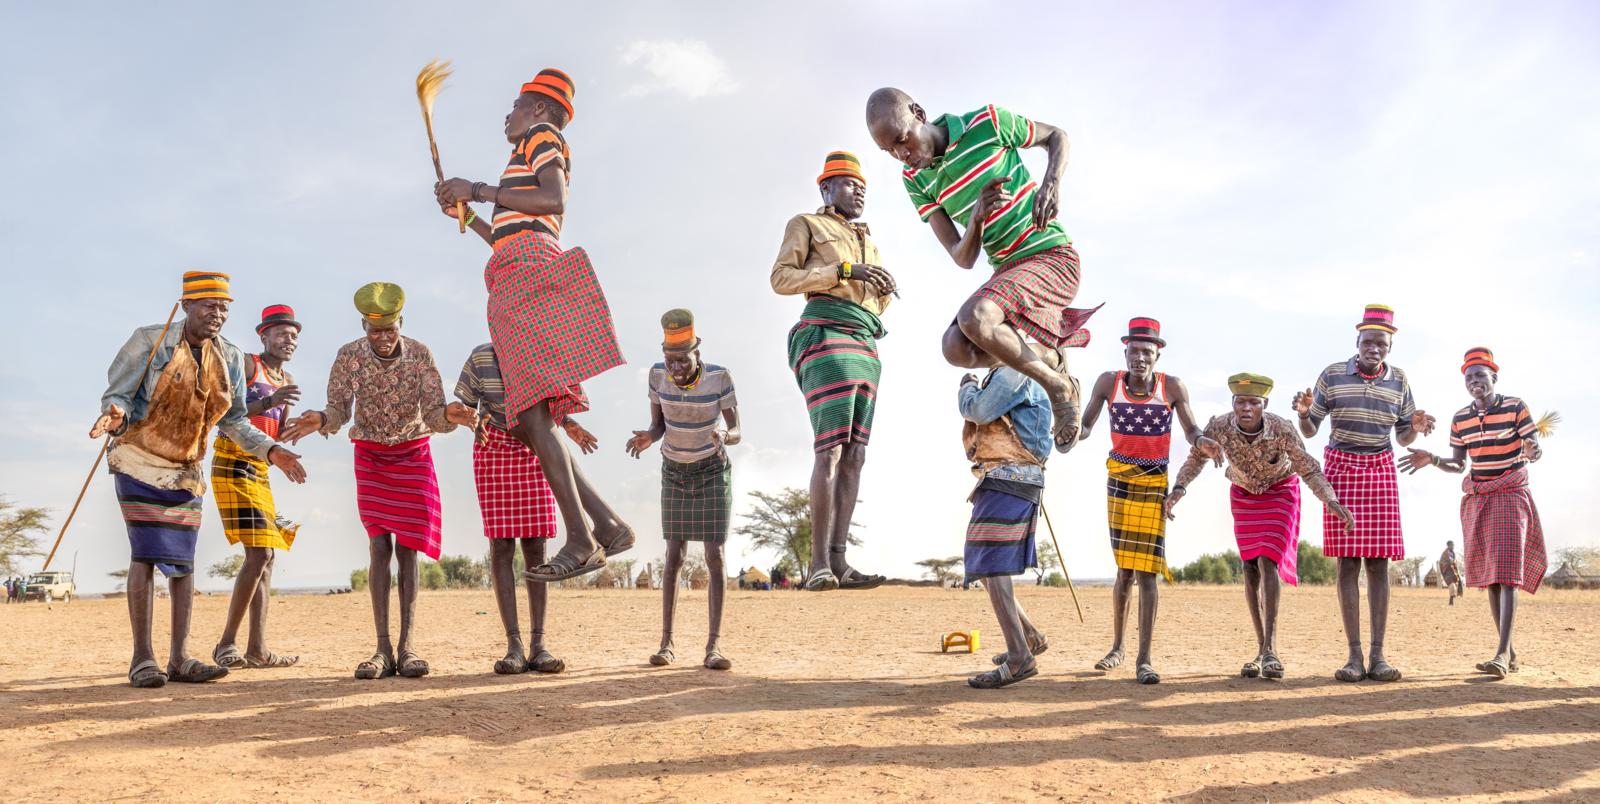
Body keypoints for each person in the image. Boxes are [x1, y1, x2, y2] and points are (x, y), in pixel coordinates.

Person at [433, 68, 633, 583]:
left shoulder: (544, 138)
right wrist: (467, 213)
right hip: (515, 268)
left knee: (532, 415)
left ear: (540, 110)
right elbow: (510, 232)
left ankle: (583, 539)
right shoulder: (522, 157)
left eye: (517, 105)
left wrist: (477, 189)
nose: (509, 113)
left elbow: (553, 200)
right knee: (528, 419)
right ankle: (606, 524)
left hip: (528, 275)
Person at [92, 271, 308, 687]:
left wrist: (273, 451)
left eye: (225, 308)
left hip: (186, 466)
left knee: (183, 562)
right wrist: (114, 413)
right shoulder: (149, 340)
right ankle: (143, 659)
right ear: (186, 305)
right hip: (137, 456)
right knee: (146, 553)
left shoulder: (227, 356)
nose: (218, 314)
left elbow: (235, 420)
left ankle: (179, 658)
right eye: (209, 306)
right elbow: (117, 393)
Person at [866, 88, 1100, 452]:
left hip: (1052, 258)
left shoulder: (986, 123)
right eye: (890, 151)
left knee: (975, 317)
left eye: (901, 139)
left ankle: (1059, 387)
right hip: (1007, 273)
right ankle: (1050, 358)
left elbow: (1057, 136)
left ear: (919, 113)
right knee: (955, 347)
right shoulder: (916, 180)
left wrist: (1051, 182)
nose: (901, 155)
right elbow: (962, 257)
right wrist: (975, 218)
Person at [282, 282, 476, 680]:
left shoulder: (421, 355)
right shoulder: (349, 356)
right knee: (377, 547)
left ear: (400, 323)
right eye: (375, 331)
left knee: (409, 549)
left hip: (413, 452)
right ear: (364, 327)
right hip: (370, 454)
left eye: (390, 330)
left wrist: (453, 417)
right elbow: (338, 410)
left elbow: (435, 414)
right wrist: (321, 419)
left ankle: (407, 649)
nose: (383, 338)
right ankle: (381, 649)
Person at [1168, 373, 1354, 680]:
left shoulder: (1282, 428)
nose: (1246, 408)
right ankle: (1260, 649)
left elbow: (1307, 468)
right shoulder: (1219, 427)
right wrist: (1178, 489)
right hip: (1244, 495)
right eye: (1240, 402)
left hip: (1281, 491)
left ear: (1264, 404)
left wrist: (1330, 500)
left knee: (1269, 560)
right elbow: (1195, 459)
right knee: (1249, 568)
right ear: (1233, 403)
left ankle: (1271, 649)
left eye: (1253, 402)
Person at [772, 151, 895, 592]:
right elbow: (782, 279)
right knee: (830, 449)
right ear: (826, 189)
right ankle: (819, 565)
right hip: (825, 335)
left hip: (865, 343)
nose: (858, 190)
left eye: (862, 185)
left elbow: (870, 299)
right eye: (848, 183)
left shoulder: (870, 241)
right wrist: (843, 270)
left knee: (856, 453)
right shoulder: (806, 224)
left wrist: (882, 291)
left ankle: (840, 562)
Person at [1293, 304, 1436, 682]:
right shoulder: (1333, 375)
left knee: (1378, 564)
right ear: (1357, 342)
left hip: (1380, 469)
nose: (1374, 349)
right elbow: (1310, 431)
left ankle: (1379, 656)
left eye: (1382, 344)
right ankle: (1353, 657)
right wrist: (1305, 413)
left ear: (1389, 347)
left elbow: (1403, 434)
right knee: (1347, 562)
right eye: (1368, 342)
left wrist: (1416, 428)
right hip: (1340, 467)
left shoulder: (1400, 381)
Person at [1399, 347, 1546, 678]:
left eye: (1481, 375)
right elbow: (1459, 464)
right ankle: (1507, 653)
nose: (1474, 382)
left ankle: (1500, 653)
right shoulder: (1461, 418)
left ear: (1494, 377)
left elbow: (1533, 448)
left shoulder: (1515, 407)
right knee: (1492, 578)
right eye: (1469, 377)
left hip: (1510, 493)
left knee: (1507, 575)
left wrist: (1531, 450)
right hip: (1478, 498)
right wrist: (1433, 459)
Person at [456, 342, 599, 674]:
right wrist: (469, 419)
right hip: (492, 448)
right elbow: (463, 403)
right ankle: (514, 646)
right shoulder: (480, 356)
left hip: (534, 449)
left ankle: (539, 645)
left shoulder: (539, 353)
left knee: (536, 544)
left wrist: (569, 424)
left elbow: (551, 403)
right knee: (501, 545)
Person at [1076, 318, 1205, 685]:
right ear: (1126, 351)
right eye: (1135, 350)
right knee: (1123, 570)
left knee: (1148, 572)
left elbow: (1191, 429)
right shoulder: (1108, 382)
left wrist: (1201, 442)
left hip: (1153, 482)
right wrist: (1071, 431)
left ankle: (1143, 660)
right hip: (1118, 480)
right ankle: (1117, 648)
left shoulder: (1172, 387)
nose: (1140, 357)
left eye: (1147, 351)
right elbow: (1086, 425)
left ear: (1157, 353)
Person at [626, 310, 740, 671]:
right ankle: (667, 643)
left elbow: (736, 430)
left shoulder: (720, 378)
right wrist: (648, 436)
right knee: (673, 555)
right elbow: (657, 425)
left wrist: (723, 434)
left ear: (698, 353)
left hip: (711, 470)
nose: (674, 368)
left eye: (681, 360)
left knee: (715, 556)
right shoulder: (657, 376)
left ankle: (714, 647)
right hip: (673, 470)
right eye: (669, 359)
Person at [210, 305, 304, 671]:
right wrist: (269, 402)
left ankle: (257, 649)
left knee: (267, 557)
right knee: (260, 554)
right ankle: (226, 644)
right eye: (281, 333)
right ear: (263, 335)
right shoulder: (249, 366)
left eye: (293, 335)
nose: (288, 340)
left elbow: (272, 433)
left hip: (260, 468)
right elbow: (226, 413)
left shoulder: (287, 378)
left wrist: (295, 431)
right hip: (233, 460)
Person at [957, 359, 1053, 688]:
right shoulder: (1017, 370)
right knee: (984, 563)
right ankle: (1029, 636)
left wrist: (967, 386)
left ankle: (1019, 658)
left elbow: (979, 411)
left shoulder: (1014, 371)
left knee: (991, 564)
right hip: (1006, 478)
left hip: (1009, 478)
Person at [1439, 540, 1465, 605]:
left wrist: (1453, 564)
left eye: (1453, 545)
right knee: (1451, 585)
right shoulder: (1444, 553)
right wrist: (1448, 563)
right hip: (1447, 571)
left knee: (1456, 584)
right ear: (1448, 545)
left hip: (1453, 571)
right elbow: (1442, 563)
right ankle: (1451, 600)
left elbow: (1454, 562)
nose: (1453, 546)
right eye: (1452, 545)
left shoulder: (1453, 553)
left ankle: (1451, 599)